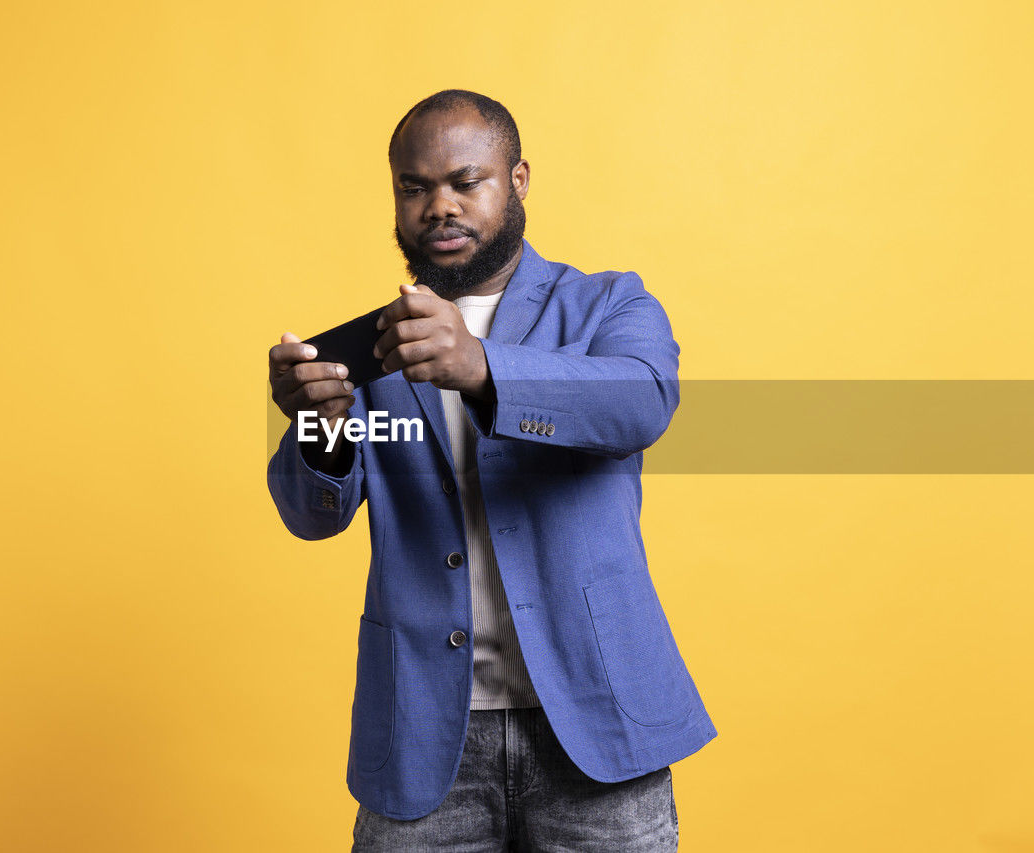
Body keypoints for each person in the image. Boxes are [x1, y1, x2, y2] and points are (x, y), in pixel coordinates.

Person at [267, 89, 716, 851]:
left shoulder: (609, 305)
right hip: (422, 736)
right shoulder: (370, 348)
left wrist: (480, 366)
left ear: (517, 180)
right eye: (415, 186)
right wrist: (320, 429)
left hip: (595, 720)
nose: (439, 205)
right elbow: (312, 515)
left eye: (464, 181)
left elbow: (642, 402)